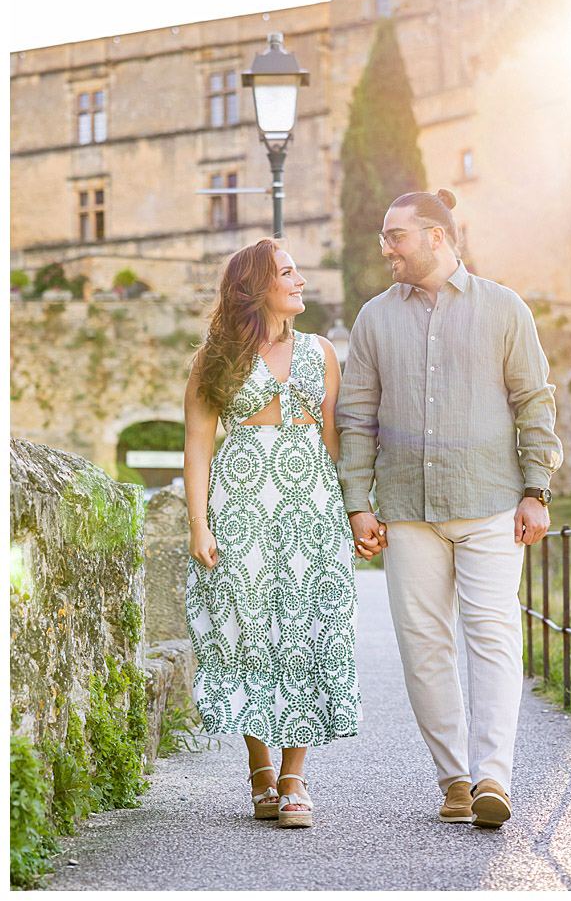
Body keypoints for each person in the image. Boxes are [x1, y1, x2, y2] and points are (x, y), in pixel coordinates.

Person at [335, 189, 562, 828]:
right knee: (423, 646)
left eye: (395, 236)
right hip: (406, 510)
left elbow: (534, 402)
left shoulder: (504, 308)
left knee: (492, 639)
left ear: (436, 236)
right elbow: (356, 418)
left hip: (492, 501)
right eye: (384, 237)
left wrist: (535, 489)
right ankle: (455, 778)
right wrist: (358, 504)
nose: (385, 248)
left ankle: (495, 779)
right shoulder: (374, 319)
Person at [184, 239, 360, 829]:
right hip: (241, 508)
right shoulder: (216, 357)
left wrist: (361, 510)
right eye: (287, 272)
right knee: (249, 634)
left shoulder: (322, 352)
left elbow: (337, 445)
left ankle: (293, 778)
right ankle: (261, 770)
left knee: (308, 632)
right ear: (258, 287)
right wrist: (197, 522)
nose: (301, 280)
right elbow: (198, 446)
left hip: (310, 510)